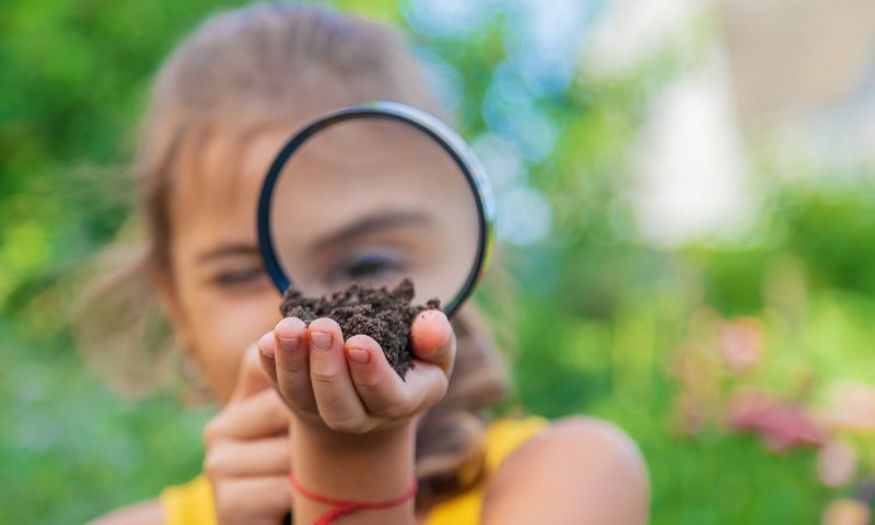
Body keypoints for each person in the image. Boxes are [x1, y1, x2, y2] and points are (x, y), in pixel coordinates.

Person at [84, 3, 649, 524]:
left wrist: (350, 458)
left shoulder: (569, 477)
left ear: (463, 263)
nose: (308, 313)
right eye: (237, 272)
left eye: (367, 263)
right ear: (177, 309)